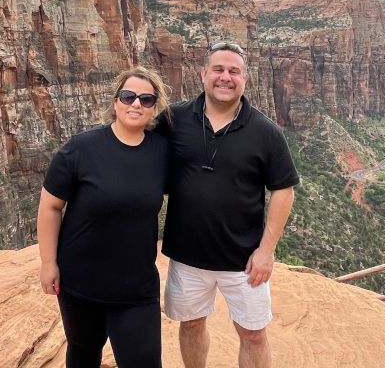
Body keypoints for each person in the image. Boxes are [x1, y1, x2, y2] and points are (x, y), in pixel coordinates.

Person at [158, 42, 299, 368]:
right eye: (218, 70)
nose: (225, 77)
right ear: (203, 74)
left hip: (244, 260)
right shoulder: (174, 120)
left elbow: (283, 191)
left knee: (253, 334)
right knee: (191, 324)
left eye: (233, 71)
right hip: (187, 256)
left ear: (245, 79)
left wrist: (266, 251)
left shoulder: (266, 132)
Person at [37, 66, 171, 368]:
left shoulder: (163, 152)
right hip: (80, 284)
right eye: (128, 96)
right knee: (83, 352)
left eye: (146, 100)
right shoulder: (80, 148)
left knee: (144, 361)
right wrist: (48, 263)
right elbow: (50, 207)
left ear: (154, 108)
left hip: (136, 288)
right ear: (115, 102)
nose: (136, 104)